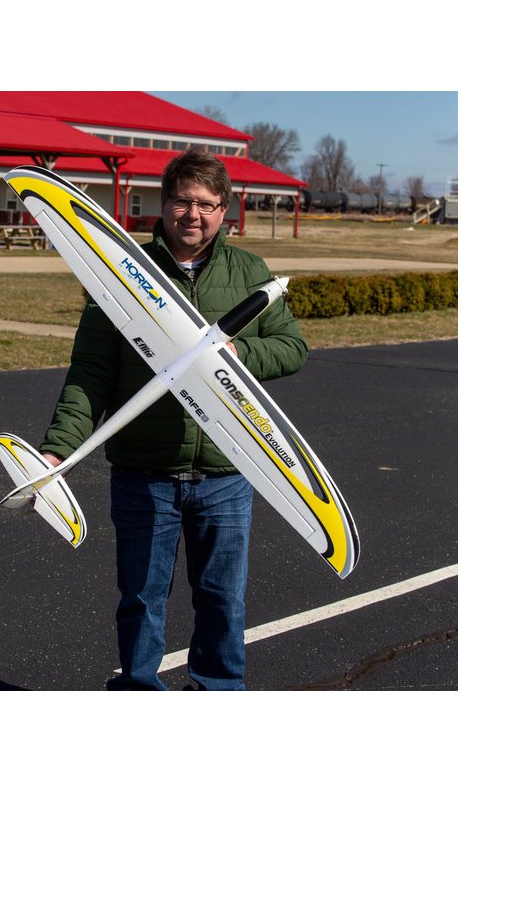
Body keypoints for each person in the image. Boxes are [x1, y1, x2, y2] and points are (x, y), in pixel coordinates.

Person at [40, 147, 308, 690]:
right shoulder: (121, 272)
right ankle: (139, 690)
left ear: (224, 210)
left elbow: (292, 347)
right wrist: (56, 451)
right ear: (163, 204)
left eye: (207, 204)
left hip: (226, 472)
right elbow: (91, 373)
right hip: (145, 473)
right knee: (141, 599)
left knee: (222, 599)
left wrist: (237, 356)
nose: (194, 214)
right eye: (183, 201)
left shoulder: (250, 272)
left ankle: (218, 690)